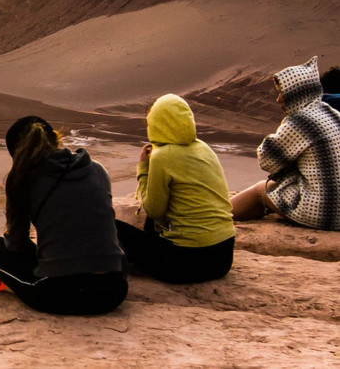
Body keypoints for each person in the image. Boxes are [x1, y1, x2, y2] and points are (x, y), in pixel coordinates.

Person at [0, 116, 127, 315]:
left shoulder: (24, 181)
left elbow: (16, 245)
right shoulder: (97, 169)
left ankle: (10, 285)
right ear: (56, 138)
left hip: (61, 295)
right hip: (114, 291)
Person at [115, 94, 235, 283]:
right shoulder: (204, 147)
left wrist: (144, 168)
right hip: (223, 257)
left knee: (112, 227)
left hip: (186, 263)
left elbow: (154, 210)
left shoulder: (163, 156)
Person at [231, 56, 340, 230]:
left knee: (261, 189)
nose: (278, 100)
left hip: (325, 213)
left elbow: (267, 161)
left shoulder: (298, 121)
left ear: (295, 94)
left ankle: (214, 217)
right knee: (280, 191)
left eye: (282, 93)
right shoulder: (332, 113)